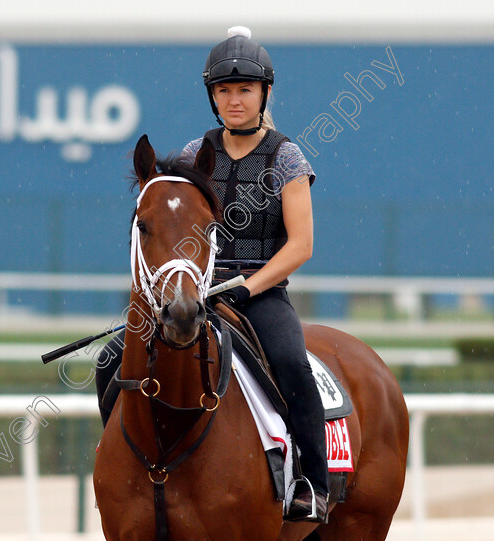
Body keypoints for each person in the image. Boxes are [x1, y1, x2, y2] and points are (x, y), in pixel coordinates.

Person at [94, 26, 329, 522]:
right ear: (212, 96)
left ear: (264, 93)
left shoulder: (287, 158)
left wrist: (248, 286)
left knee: (291, 363)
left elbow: (301, 245)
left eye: (245, 90)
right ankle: (120, 464)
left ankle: (311, 481)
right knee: (110, 358)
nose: (234, 100)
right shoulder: (192, 155)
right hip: (192, 291)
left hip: (259, 295)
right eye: (224, 91)